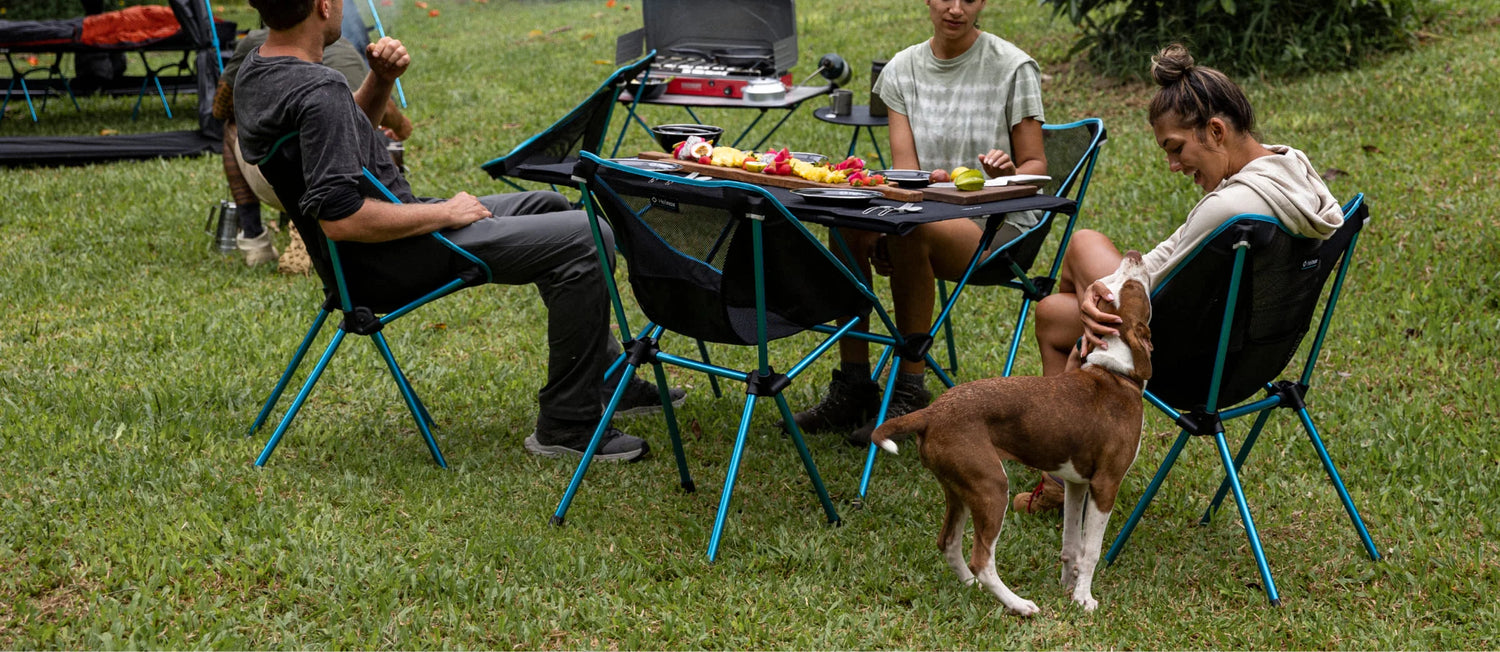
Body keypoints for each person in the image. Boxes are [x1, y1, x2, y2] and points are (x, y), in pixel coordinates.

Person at [234, 0, 682, 461]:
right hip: (386, 259)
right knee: (589, 238)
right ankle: (568, 425)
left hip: (367, 254)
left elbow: (335, 141)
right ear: (323, 6)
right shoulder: (319, 86)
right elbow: (342, 219)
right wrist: (445, 214)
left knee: (548, 204)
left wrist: (381, 80)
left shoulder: (258, 69)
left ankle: (603, 381)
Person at [1014, 43, 1346, 514]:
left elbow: (1157, 276)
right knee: (1071, 274)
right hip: (1256, 349)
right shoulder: (1294, 173)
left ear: (1215, 130)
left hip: (1186, 359)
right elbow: (1168, 256)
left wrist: (1103, 299)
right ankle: (1074, 421)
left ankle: (1061, 469)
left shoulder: (1232, 209)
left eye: (1176, 149)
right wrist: (1100, 291)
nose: (1174, 166)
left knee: (1056, 307)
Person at [790, 0, 1048, 445]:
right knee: (847, 226)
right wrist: (882, 228)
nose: (955, 8)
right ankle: (853, 383)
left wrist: (1007, 171)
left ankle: (910, 387)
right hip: (924, 211)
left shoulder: (1012, 66)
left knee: (912, 234)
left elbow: (1035, 164)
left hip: (998, 224)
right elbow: (906, 173)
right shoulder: (902, 69)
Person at [212, 27, 412, 267]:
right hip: (366, 182)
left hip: (296, 183)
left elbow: (219, 109)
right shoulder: (346, 47)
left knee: (232, 126)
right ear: (323, 6)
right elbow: (386, 109)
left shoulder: (255, 45)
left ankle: (254, 237)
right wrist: (402, 128)